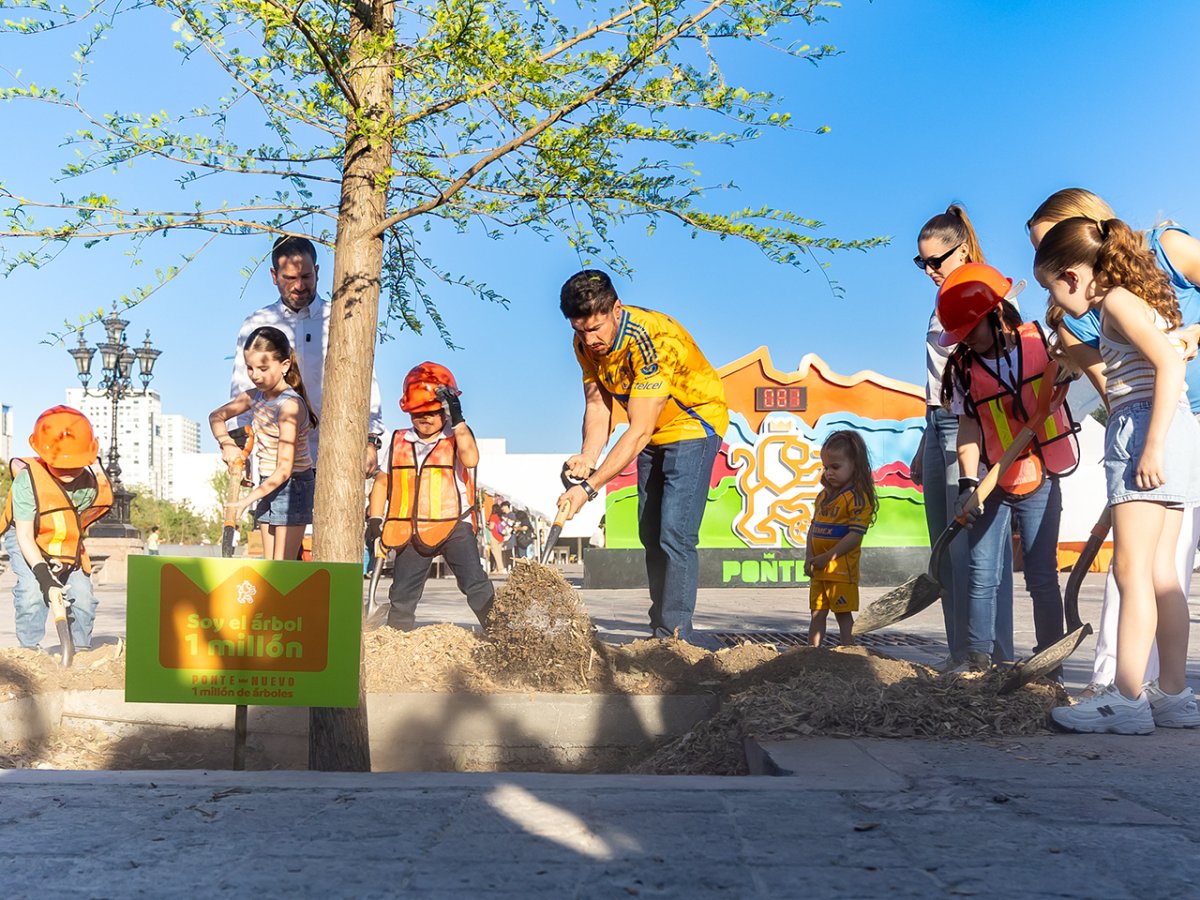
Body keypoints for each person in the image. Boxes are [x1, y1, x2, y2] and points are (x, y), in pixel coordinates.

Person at [1027, 188, 1200, 698]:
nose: (1055, 304)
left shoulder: (1118, 303)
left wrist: (1151, 446)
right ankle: (1173, 695)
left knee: (1131, 570)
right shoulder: (1139, 297)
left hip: (1147, 431)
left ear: (1072, 274)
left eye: (1052, 288)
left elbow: (1168, 366)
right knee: (1163, 573)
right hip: (1167, 430)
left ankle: (1125, 697)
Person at [556, 269, 729, 648]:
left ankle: (677, 638)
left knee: (675, 532)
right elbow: (598, 404)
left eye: (596, 328)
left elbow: (638, 430)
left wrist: (589, 488)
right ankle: (660, 628)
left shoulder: (653, 340)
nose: (590, 339)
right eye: (580, 330)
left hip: (693, 424)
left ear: (616, 309)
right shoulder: (583, 344)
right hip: (651, 430)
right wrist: (588, 455)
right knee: (650, 532)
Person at [938, 263, 1077, 671]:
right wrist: (968, 483)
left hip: (1042, 476)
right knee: (982, 573)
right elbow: (969, 428)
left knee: (1041, 574)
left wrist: (1070, 361)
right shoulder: (964, 369)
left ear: (995, 313)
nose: (967, 340)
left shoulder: (1042, 344)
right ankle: (977, 662)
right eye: (960, 335)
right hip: (992, 480)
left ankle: (1049, 664)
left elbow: (1078, 365)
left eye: (971, 330)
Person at [909, 205, 988, 670]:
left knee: (965, 549)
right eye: (922, 262)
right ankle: (959, 654)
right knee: (942, 551)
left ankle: (981, 654)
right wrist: (925, 439)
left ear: (964, 249)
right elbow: (937, 380)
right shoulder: (941, 300)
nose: (930, 270)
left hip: (966, 425)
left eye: (937, 260)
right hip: (936, 421)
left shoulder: (981, 292)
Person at [230, 235, 385, 473]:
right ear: (274, 276)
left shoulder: (340, 319)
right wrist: (240, 449)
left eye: (306, 276)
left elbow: (365, 383)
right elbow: (243, 391)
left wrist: (371, 441)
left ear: (317, 272)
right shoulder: (256, 324)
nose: (299, 286)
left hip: (337, 456)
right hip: (275, 460)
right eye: (290, 278)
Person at [364, 362, 494, 631]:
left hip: (454, 526)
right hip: (410, 529)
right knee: (402, 594)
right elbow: (383, 481)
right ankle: (397, 638)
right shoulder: (400, 440)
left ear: (445, 410)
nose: (424, 418)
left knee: (476, 585)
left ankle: (500, 632)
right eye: (417, 413)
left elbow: (471, 459)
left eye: (432, 412)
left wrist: (458, 420)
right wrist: (375, 520)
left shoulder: (456, 437)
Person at [0, 407, 111, 651]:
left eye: (75, 464)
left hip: (64, 539)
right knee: (32, 592)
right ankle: (30, 651)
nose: (68, 471)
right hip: (28, 536)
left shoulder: (91, 485)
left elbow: (75, 526)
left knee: (83, 598)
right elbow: (25, 535)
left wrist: (64, 559)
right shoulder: (28, 480)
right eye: (60, 465)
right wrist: (44, 575)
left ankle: (80, 651)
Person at [210, 326, 317, 561]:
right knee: (270, 565)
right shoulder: (254, 397)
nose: (255, 375)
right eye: (250, 368)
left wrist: (244, 502)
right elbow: (216, 417)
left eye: (263, 368)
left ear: (285, 365)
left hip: (293, 485)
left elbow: (284, 470)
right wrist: (227, 443)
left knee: (282, 565)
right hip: (268, 482)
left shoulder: (289, 406)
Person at [804, 430, 877, 647]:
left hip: (841, 571)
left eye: (835, 467)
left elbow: (855, 536)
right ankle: (811, 652)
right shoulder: (823, 496)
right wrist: (809, 556)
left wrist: (828, 556)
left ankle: (849, 651)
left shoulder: (858, 498)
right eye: (826, 467)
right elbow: (813, 528)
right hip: (820, 569)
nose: (828, 473)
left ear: (855, 465)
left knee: (843, 614)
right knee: (817, 612)